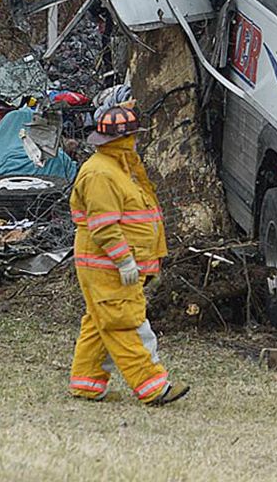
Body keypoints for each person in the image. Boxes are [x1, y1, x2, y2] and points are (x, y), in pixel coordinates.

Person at [68, 104, 188, 405]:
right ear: (124, 138)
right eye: (133, 136)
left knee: (101, 320)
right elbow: (103, 225)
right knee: (125, 322)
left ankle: (87, 383)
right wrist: (123, 259)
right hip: (106, 263)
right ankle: (153, 386)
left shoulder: (120, 167)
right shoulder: (100, 173)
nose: (137, 141)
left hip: (110, 263)